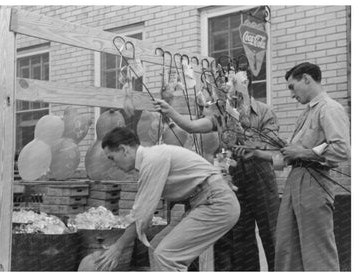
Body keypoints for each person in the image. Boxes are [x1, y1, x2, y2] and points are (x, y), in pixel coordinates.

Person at [153, 69, 280, 271]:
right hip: (234, 174)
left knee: (271, 230)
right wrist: (171, 111)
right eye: (228, 88)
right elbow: (192, 126)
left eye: (234, 86)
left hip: (260, 173)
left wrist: (252, 148)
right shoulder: (224, 114)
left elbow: (272, 145)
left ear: (246, 86)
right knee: (240, 234)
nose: (230, 91)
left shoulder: (264, 111)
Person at [244, 62, 350, 271]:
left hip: (315, 182)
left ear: (306, 79)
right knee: (288, 248)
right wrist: (256, 153)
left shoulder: (329, 108)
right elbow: (288, 157)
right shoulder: (307, 113)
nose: (292, 95)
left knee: (317, 250)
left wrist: (301, 152)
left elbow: (342, 150)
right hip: (296, 180)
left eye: (292, 87)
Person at [95, 127, 240, 271]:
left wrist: (118, 248)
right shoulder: (152, 158)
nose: (113, 164)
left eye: (112, 158)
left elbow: (142, 215)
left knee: (166, 256)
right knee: (157, 246)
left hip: (216, 203)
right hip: (206, 200)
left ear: (123, 149)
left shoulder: (152, 160)